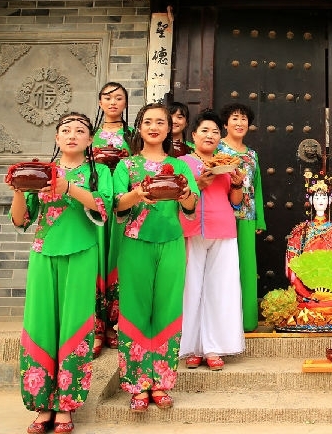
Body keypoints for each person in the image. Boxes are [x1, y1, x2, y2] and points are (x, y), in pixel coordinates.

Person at [8, 112, 113, 434]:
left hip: (81, 253)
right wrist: (17, 190)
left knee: (74, 326)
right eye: (65, 130)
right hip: (44, 253)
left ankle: (65, 405)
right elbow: (21, 220)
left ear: (90, 140)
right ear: (57, 138)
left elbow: (103, 206)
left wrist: (67, 186)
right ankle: (42, 404)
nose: (72, 135)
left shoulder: (98, 173)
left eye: (80, 131)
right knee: (40, 324)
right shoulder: (40, 172)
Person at [113, 103, 199, 412]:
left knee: (168, 309)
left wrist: (186, 194)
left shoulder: (180, 166)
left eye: (160, 122)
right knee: (135, 310)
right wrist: (137, 194)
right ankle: (137, 384)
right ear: (139, 127)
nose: (154, 127)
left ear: (169, 128)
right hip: (135, 243)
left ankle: (161, 382)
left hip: (171, 241)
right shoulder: (126, 166)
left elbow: (191, 206)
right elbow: (117, 205)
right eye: (147, 122)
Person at [179, 109, 246, 370]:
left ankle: (214, 347)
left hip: (223, 227)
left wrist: (237, 184)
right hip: (192, 228)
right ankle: (192, 347)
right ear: (193, 135)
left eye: (215, 132)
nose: (210, 135)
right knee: (191, 288)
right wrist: (199, 183)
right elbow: (178, 197)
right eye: (204, 131)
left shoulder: (227, 162)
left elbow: (235, 202)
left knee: (221, 288)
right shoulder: (182, 163)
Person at [218, 103, 267, 332]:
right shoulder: (217, 149)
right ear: (225, 124)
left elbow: (257, 187)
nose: (239, 123)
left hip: (247, 215)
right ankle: (224, 322)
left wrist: (260, 219)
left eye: (244, 119)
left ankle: (247, 321)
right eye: (235, 118)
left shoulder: (252, 154)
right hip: (223, 215)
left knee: (246, 267)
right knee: (223, 268)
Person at [91, 82, 132, 354]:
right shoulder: (88, 133)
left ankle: (114, 325)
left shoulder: (133, 134)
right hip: (95, 205)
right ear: (100, 102)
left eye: (119, 98)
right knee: (96, 260)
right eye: (108, 97)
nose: (113, 102)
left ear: (125, 103)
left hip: (122, 205)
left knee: (117, 259)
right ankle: (95, 326)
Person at [285, 170, 332, 298]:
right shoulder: (301, 230)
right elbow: (292, 263)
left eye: (324, 197)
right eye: (317, 198)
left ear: (329, 201)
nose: (320, 201)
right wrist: (305, 294)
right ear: (311, 201)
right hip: (306, 289)